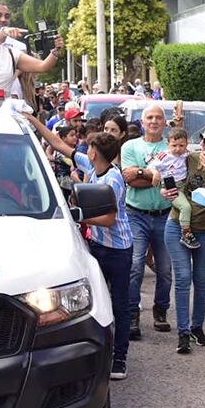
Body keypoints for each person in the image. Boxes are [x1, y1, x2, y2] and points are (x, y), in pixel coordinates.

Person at [29, 117, 134, 380]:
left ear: (95, 153)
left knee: (120, 305)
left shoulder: (113, 180)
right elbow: (57, 144)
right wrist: (31, 119)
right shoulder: (92, 164)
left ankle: (120, 358)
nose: (84, 150)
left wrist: (76, 216)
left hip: (118, 250)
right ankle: (101, 352)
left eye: (88, 147)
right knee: (98, 299)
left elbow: (109, 219)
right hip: (98, 245)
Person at [160, 125, 205, 354]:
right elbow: (166, 175)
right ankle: (183, 332)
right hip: (178, 225)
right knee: (183, 277)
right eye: (202, 141)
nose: (204, 146)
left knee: (201, 279)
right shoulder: (189, 158)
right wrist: (164, 190)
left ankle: (197, 327)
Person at [120, 104, 174, 339]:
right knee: (134, 267)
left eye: (158, 118)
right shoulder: (130, 146)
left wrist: (141, 172)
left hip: (165, 215)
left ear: (165, 122)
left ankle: (160, 311)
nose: (154, 121)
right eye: (149, 117)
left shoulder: (171, 146)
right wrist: (152, 175)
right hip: (136, 215)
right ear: (142, 122)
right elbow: (129, 179)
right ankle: (132, 314)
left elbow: (172, 178)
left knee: (165, 269)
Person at [0, 13, 63, 93]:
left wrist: (55, 51)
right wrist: (4, 32)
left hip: (2, 110)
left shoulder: (11, 54)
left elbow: (42, 66)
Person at [146, 129, 198, 250]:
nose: (178, 149)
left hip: (186, 185)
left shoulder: (187, 154)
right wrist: (155, 173)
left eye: (181, 145)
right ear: (168, 143)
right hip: (172, 187)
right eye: (174, 145)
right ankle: (186, 233)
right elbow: (150, 166)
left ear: (187, 144)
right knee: (185, 207)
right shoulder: (164, 156)